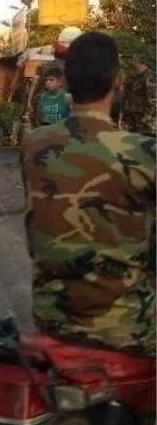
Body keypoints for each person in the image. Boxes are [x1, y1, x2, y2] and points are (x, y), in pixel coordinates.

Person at [20, 32, 155, 355]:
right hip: (130, 330)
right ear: (118, 80)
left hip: (52, 319)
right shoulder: (142, 152)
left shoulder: (33, 144)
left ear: (66, 81)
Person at [121, 52, 156, 136]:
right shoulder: (137, 78)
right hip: (134, 120)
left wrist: (147, 118)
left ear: (141, 62)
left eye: (134, 60)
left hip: (145, 122)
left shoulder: (150, 77)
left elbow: (154, 100)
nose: (132, 63)